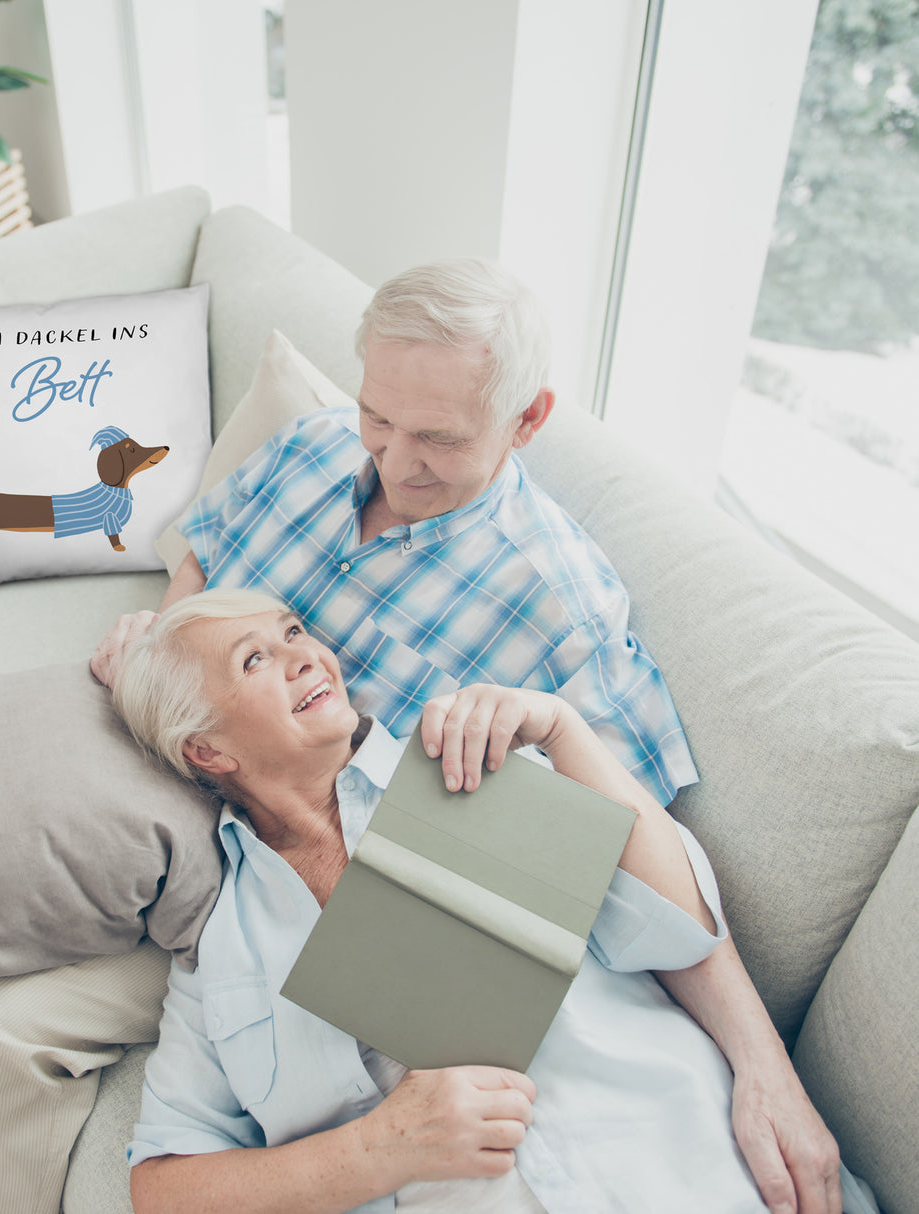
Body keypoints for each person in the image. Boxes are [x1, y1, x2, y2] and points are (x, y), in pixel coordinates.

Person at [94, 259, 842, 1213]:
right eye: (379, 418)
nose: (393, 462)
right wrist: (166, 663)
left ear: (527, 420)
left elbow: (649, 884)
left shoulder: (534, 664)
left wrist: (763, 1069)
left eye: (437, 438)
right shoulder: (312, 450)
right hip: (197, 835)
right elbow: (204, 554)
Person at [112, 589, 867, 1214]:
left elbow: (678, 929)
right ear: (207, 750)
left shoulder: (468, 762)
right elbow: (163, 1187)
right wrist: (378, 1150)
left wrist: (564, 731)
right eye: (256, 659)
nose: (306, 654)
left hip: (689, 1167)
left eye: (294, 632)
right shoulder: (221, 951)